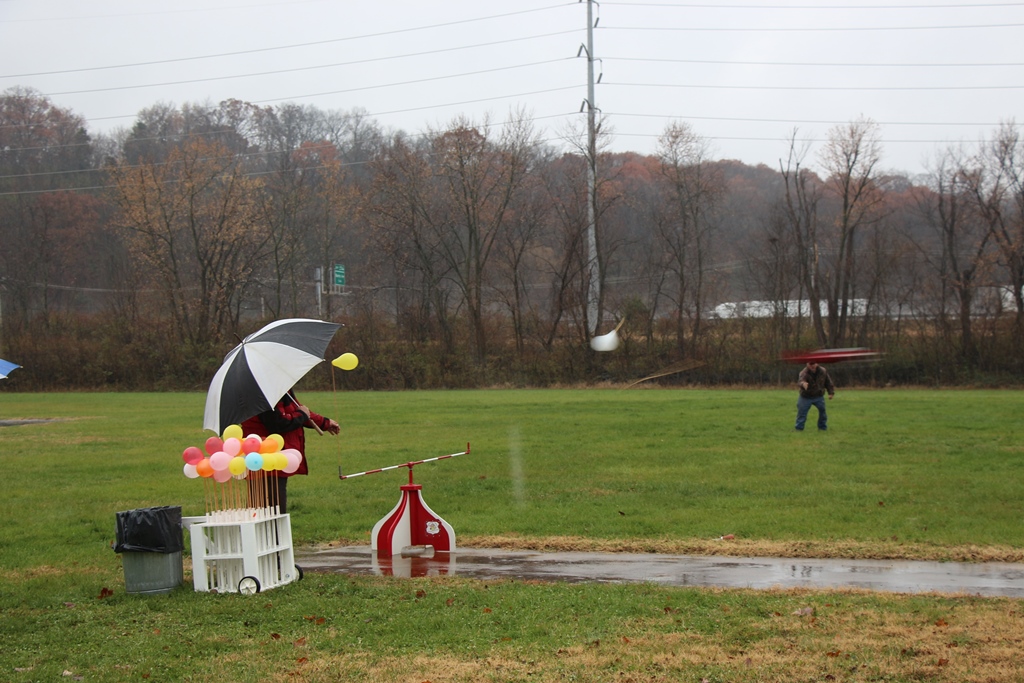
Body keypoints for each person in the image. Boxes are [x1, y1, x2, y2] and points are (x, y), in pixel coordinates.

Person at [242, 390, 340, 513]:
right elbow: (278, 423)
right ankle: (272, 532)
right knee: (270, 510)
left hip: (274, 459)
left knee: (270, 508)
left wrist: (324, 422)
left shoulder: (280, 390)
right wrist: (302, 414)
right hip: (266, 460)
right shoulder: (262, 395)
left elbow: (296, 409)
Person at [795, 360, 835, 431]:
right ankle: (799, 429)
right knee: (801, 413)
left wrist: (831, 393)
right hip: (805, 396)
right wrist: (803, 384)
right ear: (807, 364)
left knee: (822, 412)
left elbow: (828, 382)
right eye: (810, 364)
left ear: (817, 363)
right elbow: (800, 381)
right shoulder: (804, 372)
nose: (812, 366)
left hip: (818, 396)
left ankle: (822, 428)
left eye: (813, 364)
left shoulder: (823, 371)